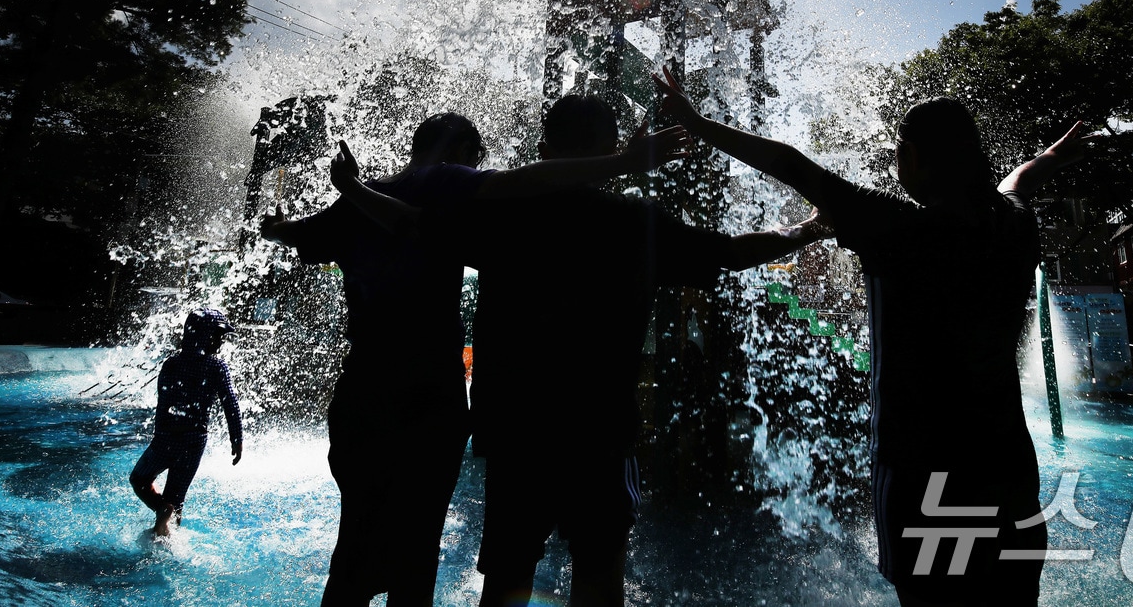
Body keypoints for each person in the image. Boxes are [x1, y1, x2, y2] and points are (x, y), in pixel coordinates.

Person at [328, 94, 833, 607]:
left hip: (514, 431)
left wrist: (354, 189)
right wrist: (809, 228)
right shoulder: (638, 224)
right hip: (601, 433)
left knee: (507, 576)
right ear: (610, 148)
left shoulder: (501, 215)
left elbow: (410, 223)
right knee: (599, 570)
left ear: (544, 149)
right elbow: (733, 252)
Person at [654, 68, 1089, 607]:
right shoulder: (1014, 225)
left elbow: (791, 164)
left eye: (900, 151)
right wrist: (1050, 158)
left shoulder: (901, 229)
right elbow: (1018, 181)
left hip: (921, 466)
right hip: (1006, 463)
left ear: (918, 161)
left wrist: (696, 123)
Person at [260, 111, 689, 607]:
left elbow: (298, 235)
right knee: (417, 546)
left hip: (362, 387)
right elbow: (529, 182)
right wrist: (622, 162)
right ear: (463, 152)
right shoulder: (445, 181)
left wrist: (276, 228)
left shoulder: (358, 197)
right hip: (427, 389)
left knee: (355, 536)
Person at [129, 307, 242, 537]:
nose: (220, 342)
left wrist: (159, 435)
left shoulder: (171, 364)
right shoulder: (216, 367)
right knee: (176, 496)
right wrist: (237, 438)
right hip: (193, 439)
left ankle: (161, 510)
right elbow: (230, 403)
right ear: (204, 336)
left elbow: (163, 403)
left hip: (166, 436)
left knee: (139, 479)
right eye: (218, 336)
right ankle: (171, 540)